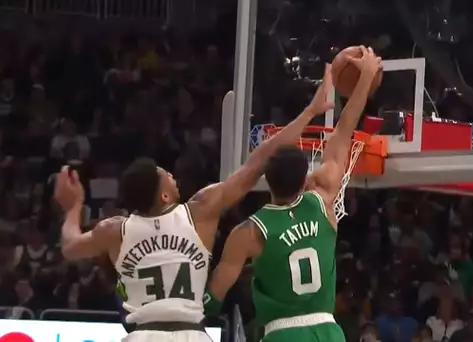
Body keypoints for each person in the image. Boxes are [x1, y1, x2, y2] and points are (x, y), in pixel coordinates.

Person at [52, 65, 335, 342]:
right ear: (163, 195)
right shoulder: (199, 211)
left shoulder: (115, 231)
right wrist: (310, 111)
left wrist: (73, 208)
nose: (173, 176)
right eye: (167, 176)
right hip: (191, 333)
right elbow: (259, 162)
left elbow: (70, 246)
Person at [205, 46, 382, 342]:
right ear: (305, 181)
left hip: (283, 334)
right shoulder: (322, 200)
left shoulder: (248, 233)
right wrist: (364, 79)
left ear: (266, 181)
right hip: (328, 332)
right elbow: (343, 131)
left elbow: (216, 294)